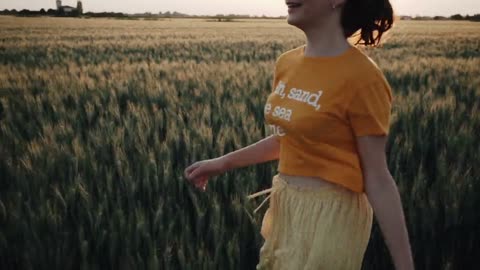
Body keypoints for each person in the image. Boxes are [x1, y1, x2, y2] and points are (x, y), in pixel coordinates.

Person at [184, 0, 415, 269]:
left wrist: (405, 265)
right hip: (286, 206)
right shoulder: (287, 63)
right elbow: (291, 138)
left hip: (332, 217)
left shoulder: (363, 78)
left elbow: (377, 176)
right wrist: (221, 163)